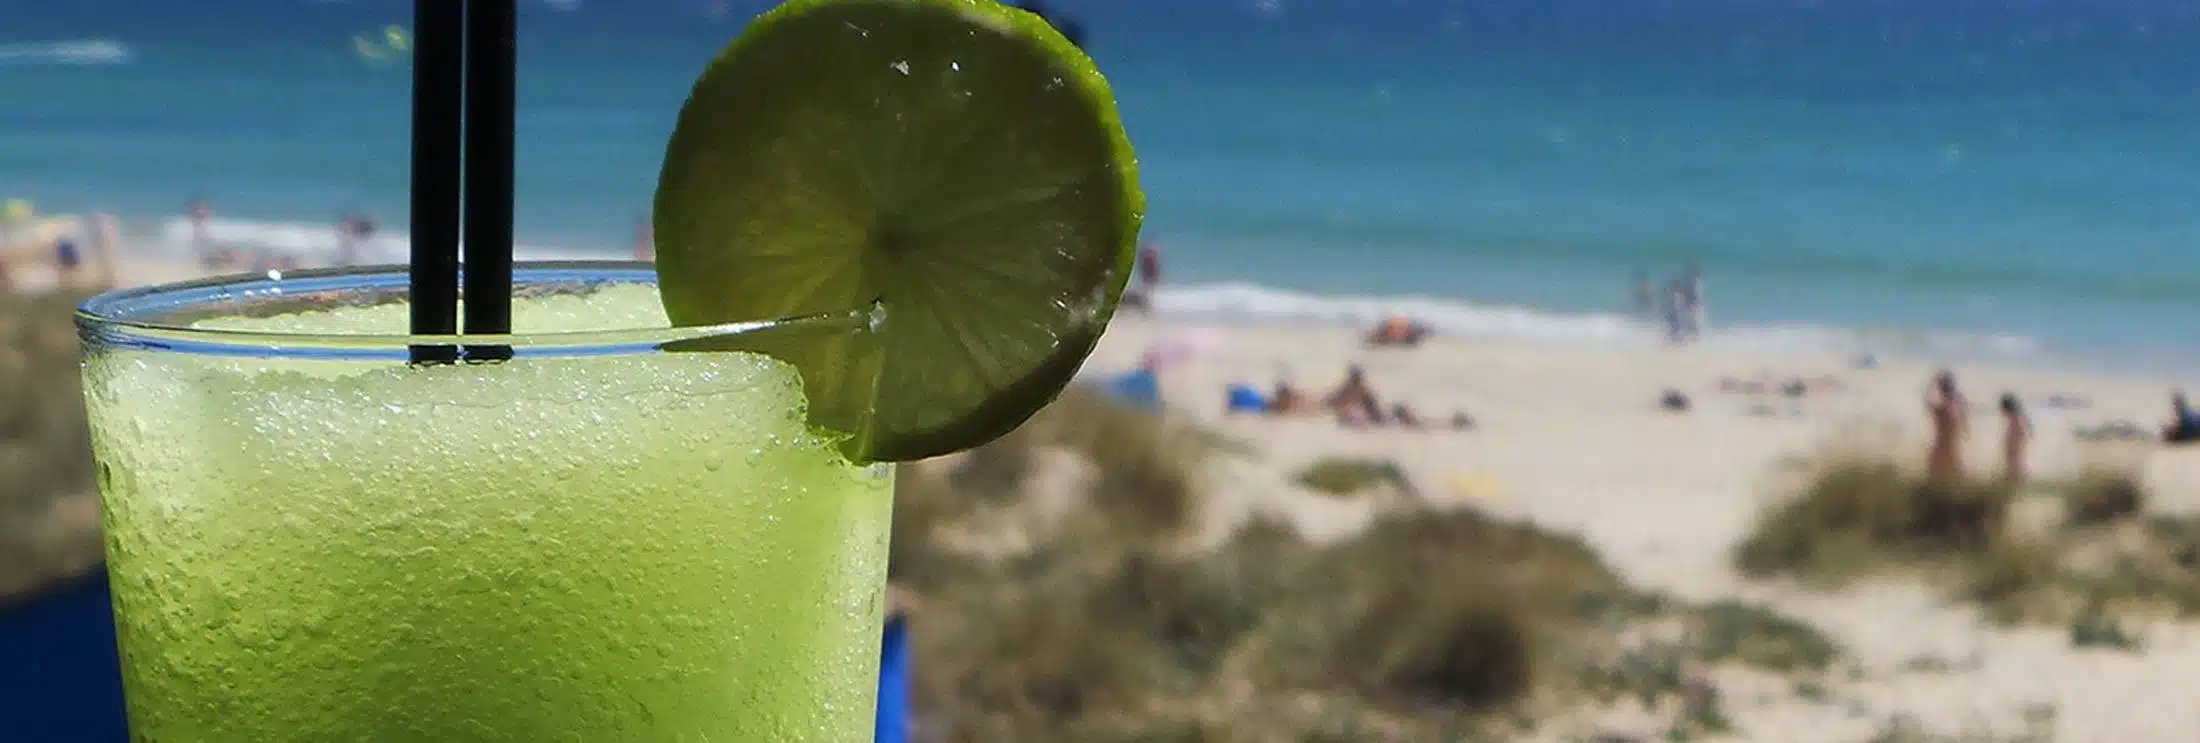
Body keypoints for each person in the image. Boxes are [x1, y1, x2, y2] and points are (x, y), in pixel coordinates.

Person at [1925, 370, 1968, 480]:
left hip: (1941, 444)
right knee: (1957, 472)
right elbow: (1964, 423)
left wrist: (1931, 384)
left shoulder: (1942, 408)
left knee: (1934, 474)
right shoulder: (1958, 405)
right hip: (1953, 443)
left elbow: (1927, 402)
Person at [2000, 393, 2030, 485]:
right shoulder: (2016, 416)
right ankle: (2015, 479)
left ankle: (2018, 480)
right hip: (2015, 442)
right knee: (2014, 461)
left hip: (2016, 443)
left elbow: (2022, 431)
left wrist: (2017, 441)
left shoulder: (2016, 417)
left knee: (2015, 461)